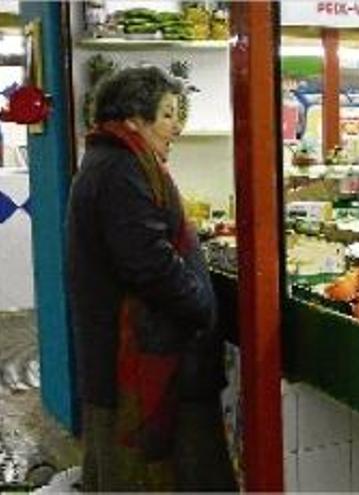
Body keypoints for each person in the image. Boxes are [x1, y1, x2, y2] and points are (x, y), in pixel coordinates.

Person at [66, 66, 237, 491]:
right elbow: (148, 264)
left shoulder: (113, 162)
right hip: (142, 358)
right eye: (166, 115)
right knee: (146, 471)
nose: (176, 126)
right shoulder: (121, 170)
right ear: (133, 119)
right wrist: (200, 304)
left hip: (138, 351)